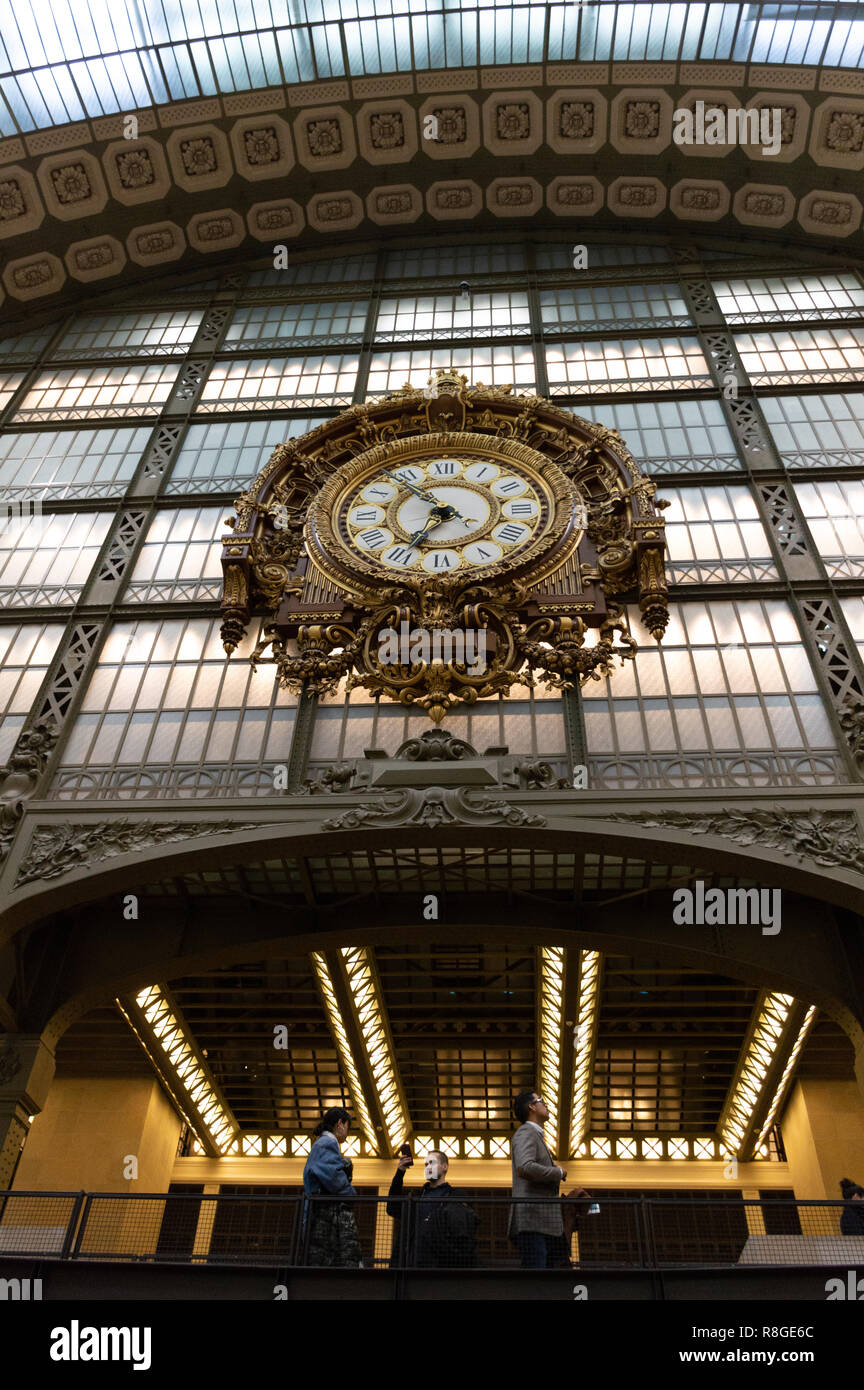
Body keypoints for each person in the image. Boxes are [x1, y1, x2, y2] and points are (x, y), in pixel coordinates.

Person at [386, 1148, 477, 1267]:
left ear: (445, 1167)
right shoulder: (415, 1197)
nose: (428, 1167)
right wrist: (400, 1172)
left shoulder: (455, 1196)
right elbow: (392, 1208)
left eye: (432, 1163)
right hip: (413, 1264)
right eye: (426, 1164)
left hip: (441, 1265)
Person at [508, 1088, 567, 1269]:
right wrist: (558, 1172)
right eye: (542, 1100)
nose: (546, 1105)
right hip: (533, 1221)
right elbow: (525, 1167)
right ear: (532, 1107)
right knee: (537, 1278)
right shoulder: (527, 1132)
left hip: (541, 1222)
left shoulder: (535, 1134)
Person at [302, 1107, 362, 1267]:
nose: (347, 1133)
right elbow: (334, 1178)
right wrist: (351, 1194)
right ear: (340, 1123)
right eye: (347, 1127)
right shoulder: (327, 1143)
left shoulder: (320, 1144)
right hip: (323, 1214)